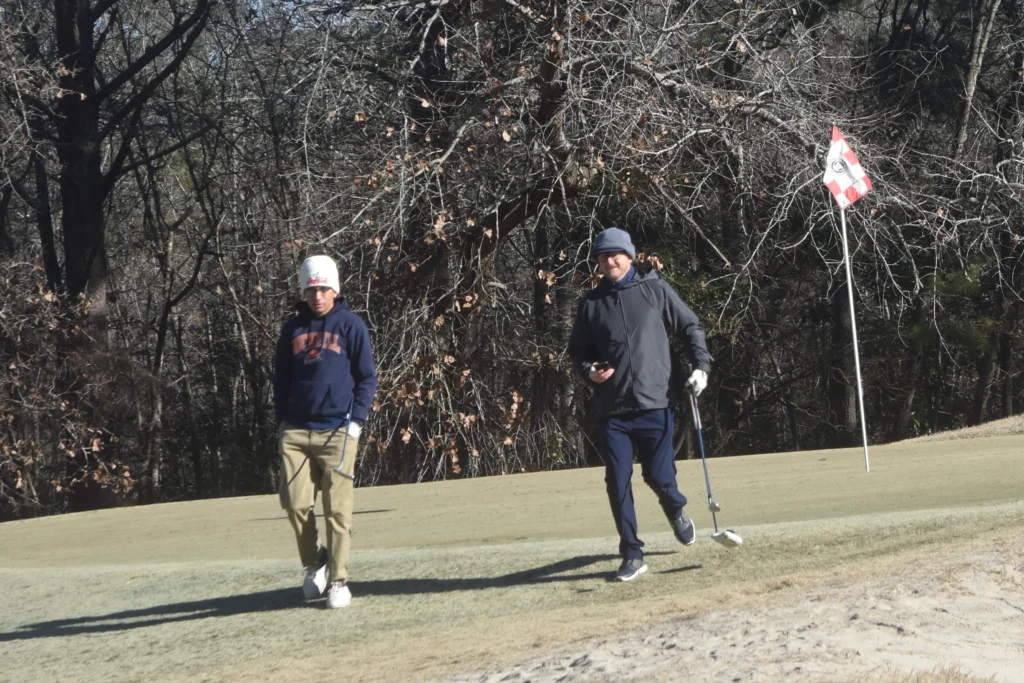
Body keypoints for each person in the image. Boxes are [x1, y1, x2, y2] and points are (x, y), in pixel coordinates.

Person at [568, 228, 711, 582]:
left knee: (659, 477)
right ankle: (632, 553)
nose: (609, 261)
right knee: (617, 481)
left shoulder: (655, 289)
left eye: (615, 255)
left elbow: (691, 327)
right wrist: (590, 370)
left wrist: (701, 368)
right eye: (602, 257)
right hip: (612, 409)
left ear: (630, 257)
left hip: (656, 403)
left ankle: (676, 510)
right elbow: (578, 351)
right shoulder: (591, 303)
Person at [274, 255, 377, 608]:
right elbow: (281, 380)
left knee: (338, 510)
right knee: (294, 503)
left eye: (323, 288)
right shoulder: (292, 330)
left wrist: (356, 423)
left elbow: (367, 378)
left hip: (338, 432)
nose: (317, 295)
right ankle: (315, 561)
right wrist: (283, 422)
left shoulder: (351, 325)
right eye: (311, 289)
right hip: (297, 432)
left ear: (335, 288)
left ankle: (338, 580)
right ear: (303, 291)